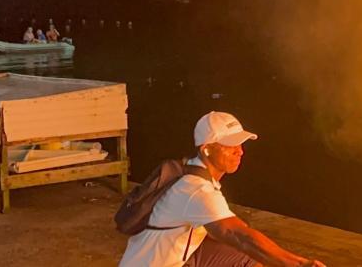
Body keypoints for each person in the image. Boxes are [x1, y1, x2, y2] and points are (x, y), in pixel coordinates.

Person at [119, 112, 324, 267]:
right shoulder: (196, 189)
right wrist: (299, 264)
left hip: (173, 259)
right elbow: (239, 236)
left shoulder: (191, 172)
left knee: (246, 256)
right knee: (248, 247)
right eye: (230, 145)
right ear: (206, 149)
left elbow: (225, 231)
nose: (239, 151)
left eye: (240, 144)